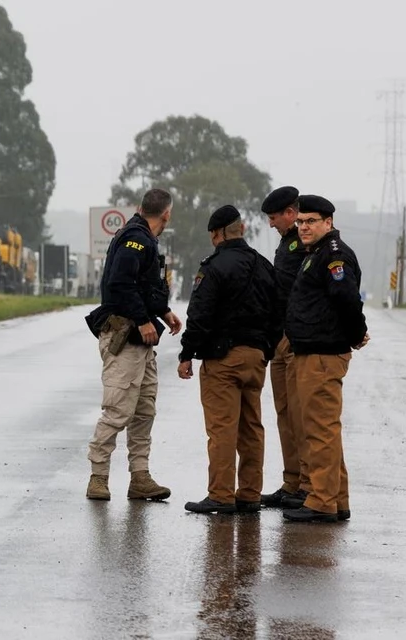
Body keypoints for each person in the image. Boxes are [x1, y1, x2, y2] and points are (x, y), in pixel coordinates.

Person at [177, 205, 280, 514]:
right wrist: (267, 351)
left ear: (216, 234)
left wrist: (186, 353)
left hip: (222, 359)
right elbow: (279, 314)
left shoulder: (213, 266)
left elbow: (200, 315)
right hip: (256, 358)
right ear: (243, 229)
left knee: (222, 428)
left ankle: (221, 494)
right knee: (252, 427)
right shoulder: (263, 266)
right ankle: (249, 493)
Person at [82, 188, 182, 501]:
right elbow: (120, 284)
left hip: (140, 341)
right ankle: (97, 477)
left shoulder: (145, 238)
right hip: (125, 334)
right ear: (167, 214)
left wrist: (163, 312)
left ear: (141, 207)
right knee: (117, 409)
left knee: (144, 410)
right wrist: (142, 319)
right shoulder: (135, 238)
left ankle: (140, 477)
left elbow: (144, 286)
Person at [283, 195, 370, 523]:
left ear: (328, 223)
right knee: (324, 430)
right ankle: (337, 499)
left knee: (320, 430)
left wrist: (356, 333)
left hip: (322, 353)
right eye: (300, 222)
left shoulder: (333, 256)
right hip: (312, 350)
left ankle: (321, 500)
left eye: (311, 221)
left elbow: (347, 298)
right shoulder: (316, 254)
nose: (304, 227)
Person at [257, 186, 312, 510]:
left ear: (290, 213)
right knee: (285, 414)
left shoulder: (303, 243)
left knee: (301, 416)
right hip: (280, 338)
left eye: (274, 217)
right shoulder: (286, 243)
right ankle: (292, 481)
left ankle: (307, 485)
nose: (271, 223)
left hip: (296, 337)